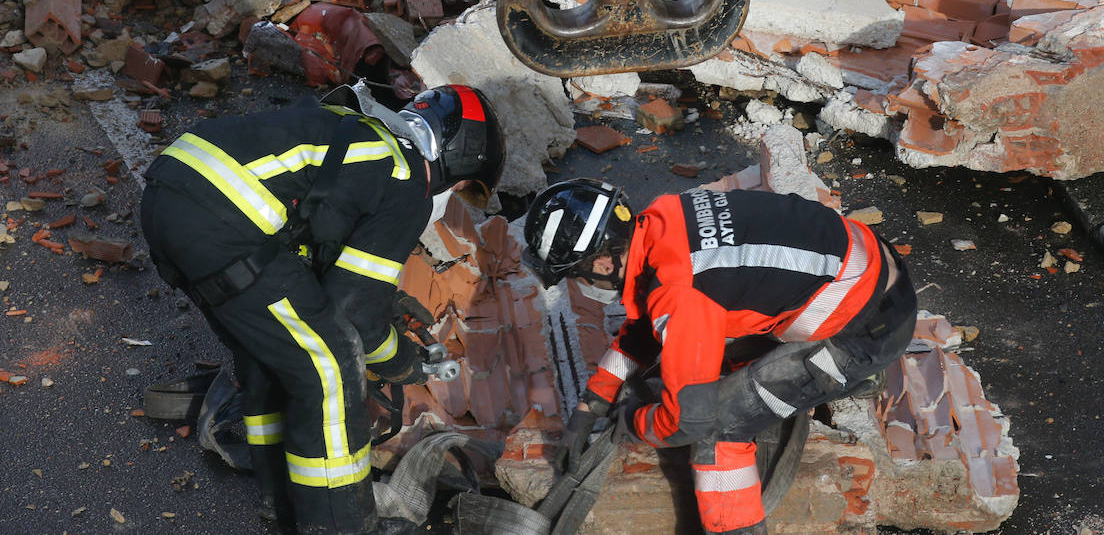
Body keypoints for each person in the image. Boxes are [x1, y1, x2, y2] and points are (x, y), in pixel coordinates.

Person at [140, 83, 504, 535]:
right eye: (466, 185)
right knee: (330, 366)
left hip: (169, 194)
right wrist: (403, 362)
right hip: (221, 220)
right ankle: (342, 525)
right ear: (460, 158)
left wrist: (384, 299)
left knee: (272, 356)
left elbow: (319, 251)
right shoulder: (408, 176)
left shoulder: (362, 135)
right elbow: (353, 312)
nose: (458, 192)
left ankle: (282, 503)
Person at [521, 179, 918, 535]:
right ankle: (845, 373)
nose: (582, 284)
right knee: (709, 349)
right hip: (872, 272)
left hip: (865, 332)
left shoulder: (680, 290)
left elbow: (689, 422)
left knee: (720, 429)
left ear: (602, 262)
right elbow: (650, 322)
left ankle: (738, 528)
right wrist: (593, 403)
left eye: (577, 274)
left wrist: (630, 423)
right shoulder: (666, 217)